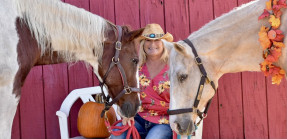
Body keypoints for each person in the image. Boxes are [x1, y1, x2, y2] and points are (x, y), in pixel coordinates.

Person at [111, 23, 173, 139]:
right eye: (148, 40)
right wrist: (125, 113)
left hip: (164, 121)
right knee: (117, 134)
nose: (152, 44)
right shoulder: (136, 67)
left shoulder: (173, 67)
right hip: (138, 119)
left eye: (157, 40)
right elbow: (125, 94)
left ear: (164, 43)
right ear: (143, 44)